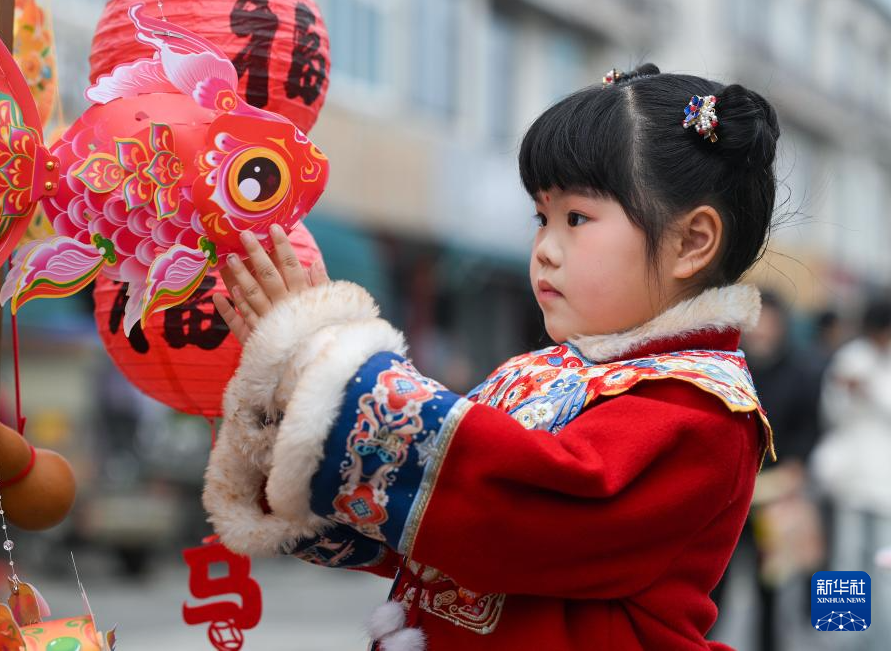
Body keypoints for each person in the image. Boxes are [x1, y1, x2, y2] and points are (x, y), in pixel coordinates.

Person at [203, 65, 778, 650]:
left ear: (691, 242)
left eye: (577, 218)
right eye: (542, 218)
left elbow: (514, 519)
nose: (544, 249)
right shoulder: (540, 373)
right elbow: (422, 530)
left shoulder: (701, 408)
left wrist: (322, 359)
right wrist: (293, 391)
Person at [712, 291, 824, 650]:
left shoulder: (800, 372)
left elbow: (809, 427)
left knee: (771, 585)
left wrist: (796, 465)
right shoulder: (729, 369)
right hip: (730, 495)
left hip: (774, 494)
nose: (762, 330)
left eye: (769, 322)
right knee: (715, 581)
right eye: (756, 322)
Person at [812, 297, 891, 651]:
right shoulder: (851, 357)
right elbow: (831, 413)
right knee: (845, 561)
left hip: (886, 484)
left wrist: (869, 391)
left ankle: (882, 640)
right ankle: (840, 638)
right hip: (851, 479)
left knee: (884, 564)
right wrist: (845, 393)